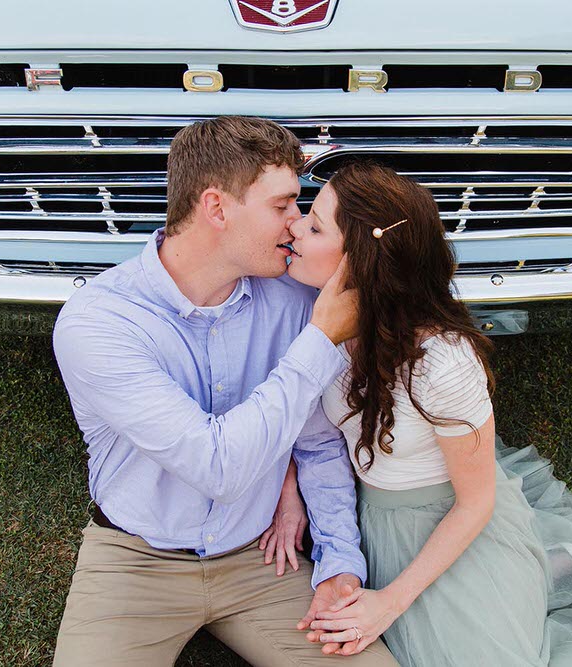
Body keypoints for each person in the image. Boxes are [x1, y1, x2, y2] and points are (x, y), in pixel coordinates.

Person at [277, 161, 572, 666]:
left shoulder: (442, 363)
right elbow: (312, 429)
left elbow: (475, 503)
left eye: (315, 225)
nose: (294, 225)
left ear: (361, 262)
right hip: (375, 522)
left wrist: (389, 603)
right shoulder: (313, 314)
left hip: (451, 522)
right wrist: (291, 491)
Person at [51, 117, 399, 667]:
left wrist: (338, 562)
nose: (296, 223)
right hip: (136, 559)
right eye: (283, 205)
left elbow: (316, 443)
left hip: (263, 559)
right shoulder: (99, 323)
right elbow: (217, 468)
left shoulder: (291, 302)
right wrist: (320, 341)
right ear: (216, 208)